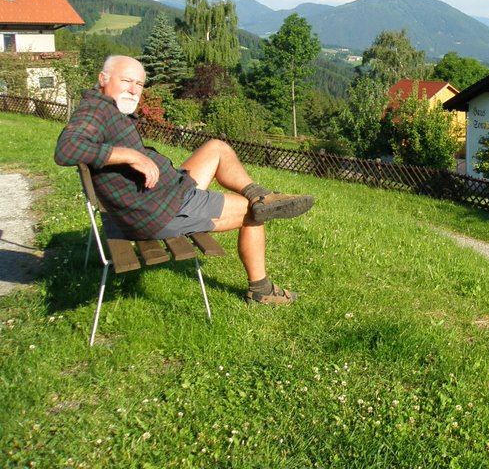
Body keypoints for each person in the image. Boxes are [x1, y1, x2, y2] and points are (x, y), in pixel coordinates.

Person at [55, 55, 313, 305]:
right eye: (126, 81)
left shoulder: (104, 108)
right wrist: (131, 155)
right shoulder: (96, 110)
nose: (134, 90)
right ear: (103, 78)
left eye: (139, 84)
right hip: (159, 211)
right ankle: (261, 290)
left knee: (216, 147)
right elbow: (67, 149)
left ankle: (261, 194)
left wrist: (137, 158)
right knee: (256, 213)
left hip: (162, 195)